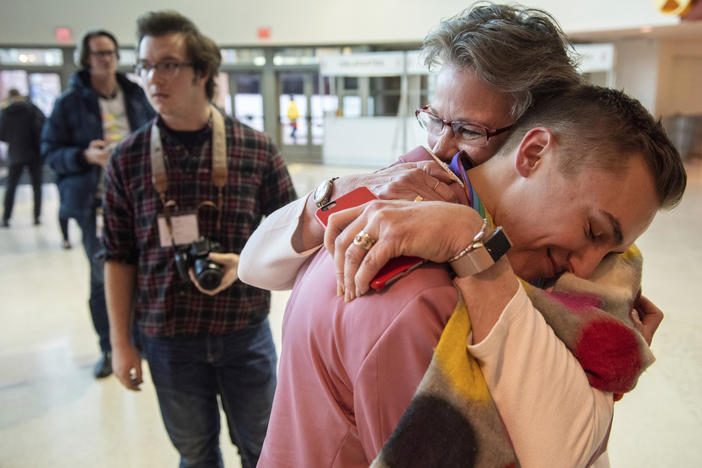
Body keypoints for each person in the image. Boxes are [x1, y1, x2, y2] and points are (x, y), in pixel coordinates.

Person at [259, 84, 687, 468]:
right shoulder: (420, 292)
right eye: (593, 231)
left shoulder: (426, 219)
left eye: (467, 130)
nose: (586, 268)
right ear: (533, 151)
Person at [101, 11, 297, 468]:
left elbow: (295, 237)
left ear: (202, 72)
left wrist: (247, 262)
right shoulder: (127, 159)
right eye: (145, 66)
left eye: (167, 64)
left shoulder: (255, 149)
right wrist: (120, 343)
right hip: (167, 337)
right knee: (195, 454)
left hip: (242, 330)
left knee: (265, 449)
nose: (153, 78)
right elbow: (116, 256)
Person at [41, 29, 154, 378]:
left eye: (111, 52)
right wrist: (85, 156)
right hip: (95, 202)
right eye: (99, 54)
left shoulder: (135, 93)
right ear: (86, 59)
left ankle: (138, 340)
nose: (106, 59)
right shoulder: (69, 103)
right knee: (102, 276)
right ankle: (110, 347)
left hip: (139, 198)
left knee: (142, 271)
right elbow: (50, 152)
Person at [0, 88, 45, 227]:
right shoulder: (32, 109)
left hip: (15, 153)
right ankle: (36, 217)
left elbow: (2, 134)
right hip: (34, 153)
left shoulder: (6, 112)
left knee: (11, 187)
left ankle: (6, 218)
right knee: (37, 187)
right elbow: (43, 127)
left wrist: (13, 141)